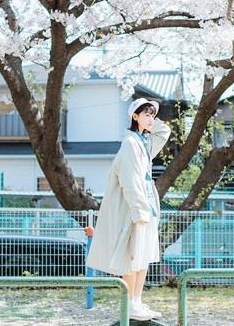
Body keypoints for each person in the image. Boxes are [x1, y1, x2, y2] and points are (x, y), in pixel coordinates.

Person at [86, 98, 171, 321]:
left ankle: (138, 301)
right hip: (137, 209)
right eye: (146, 114)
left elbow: (164, 133)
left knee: (144, 257)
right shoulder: (131, 143)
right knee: (133, 257)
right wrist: (139, 212)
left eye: (152, 115)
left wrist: (154, 118)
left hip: (147, 206)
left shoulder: (144, 141)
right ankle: (131, 303)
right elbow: (130, 181)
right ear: (134, 116)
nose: (151, 118)